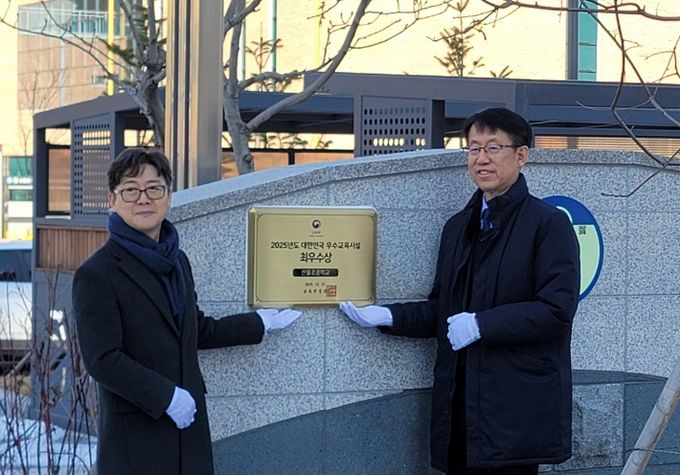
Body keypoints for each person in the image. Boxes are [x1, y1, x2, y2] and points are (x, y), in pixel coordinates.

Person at [340, 107, 580, 474]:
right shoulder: (458, 227)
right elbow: (446, 311)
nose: (481, 159)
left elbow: (556, 311)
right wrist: (387, 316)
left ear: (521, 155)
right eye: (473, 148)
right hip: (459, 407)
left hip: (513, 410)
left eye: (493, 148)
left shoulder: (548, 224)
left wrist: (482, 324)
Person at [72, 148, 301, 475]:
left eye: (154, 188)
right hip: (137, 439)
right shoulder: (97, 273)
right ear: (112, 200)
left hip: (189, 437)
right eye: (131, 190)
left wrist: (259, 323)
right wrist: (166, 397)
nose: (144, 199)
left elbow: (195, 330)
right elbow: (103, 359)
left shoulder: (177, 261)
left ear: (169, 197)